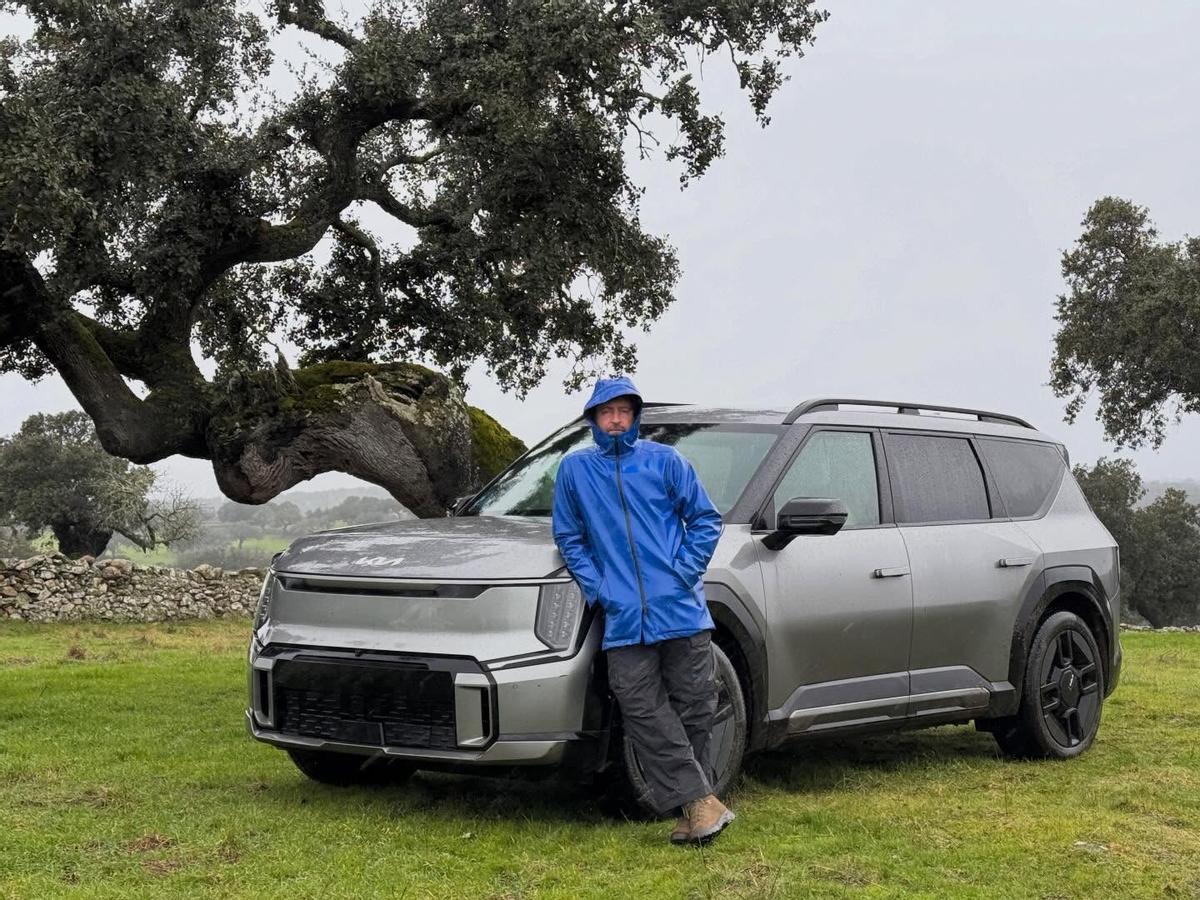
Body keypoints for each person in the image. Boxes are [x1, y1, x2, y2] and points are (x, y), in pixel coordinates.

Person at [552, 375, 733, 845]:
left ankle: (695, 809)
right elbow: (569, 537)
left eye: (624, 411)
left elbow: (706, 519)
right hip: (623, 617)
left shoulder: (666, 461)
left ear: (635, 416)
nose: (615, 420)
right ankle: (702, 802)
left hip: (682, 611)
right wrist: (599, 588)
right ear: (593, 418)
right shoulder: (574, 471)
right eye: (607, 412)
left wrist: (682, 574)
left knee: (695, 707)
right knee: (640, 708)